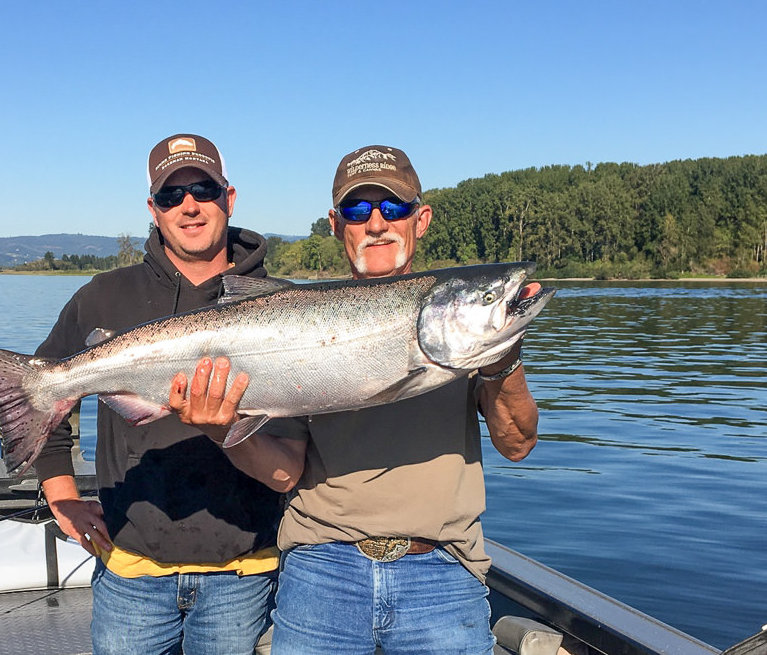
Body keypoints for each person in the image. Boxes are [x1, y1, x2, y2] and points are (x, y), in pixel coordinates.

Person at [177, 144, 540, 654]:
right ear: (335, 223)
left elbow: (518, 444)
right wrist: (219, 428)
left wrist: (502, 358)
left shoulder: (461, 328)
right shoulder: (299, 327)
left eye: (393, 208)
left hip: (444, 571)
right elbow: (283, 473)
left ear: (422, 218)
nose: (376, 223)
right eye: (357, 210)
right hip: (321, 571)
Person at [33, 134, 282, 655]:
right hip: (130, 573)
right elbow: (41, 395)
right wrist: (61, 498)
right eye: (172, 196)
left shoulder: (283, 305)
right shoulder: (101, 296)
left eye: (203, 190)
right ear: (154, 208)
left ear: (228, 198)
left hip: (245, 573)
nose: (189, 206)